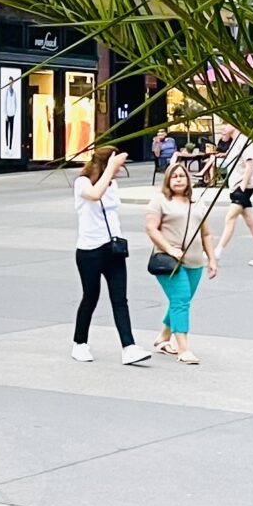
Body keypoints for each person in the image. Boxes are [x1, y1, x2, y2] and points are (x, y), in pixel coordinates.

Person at [71, 145, 148, 365]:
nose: (119, 171)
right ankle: (80, 343)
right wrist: (110, 168)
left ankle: (129, 347)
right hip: (89, 250)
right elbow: (95, 195)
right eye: (117, 167)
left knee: (120, 299)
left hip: (113, 248)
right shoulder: (82, 183)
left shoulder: (112, 184)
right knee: (90, 297)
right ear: (106, 164)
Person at [145, 157, 219, 364]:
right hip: (169, 261)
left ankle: (163, 337)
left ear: (188, 179)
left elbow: (206, 234)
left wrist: (212, 259)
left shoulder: (198, 203)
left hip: (195, 261)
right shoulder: (159, 200)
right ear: (167, 181)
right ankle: (183, 349)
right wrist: (169, 248)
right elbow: (151, 228)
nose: (178, 180)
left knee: (182, 301)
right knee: (181, 300)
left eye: (181, 176)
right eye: (174, 177)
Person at [213, 123, 253, 267]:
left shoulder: (243, 141)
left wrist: (242, 186)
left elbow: (250, 165)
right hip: (238, 187)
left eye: (225, 124)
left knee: (229, 218)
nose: (222, 128)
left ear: (235, 125)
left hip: (242, 188)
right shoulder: (235, 142)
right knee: (251, 222)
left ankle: (217, 252)